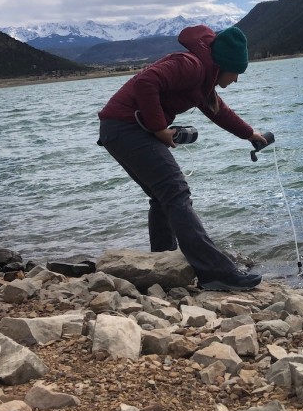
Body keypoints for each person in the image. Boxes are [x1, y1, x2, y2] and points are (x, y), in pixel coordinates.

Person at [97, 25, 267, 291]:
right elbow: (145, 82)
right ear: (224, 65)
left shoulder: (204, 80)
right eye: (236, 73)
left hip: (117, 130)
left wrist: (250, 133)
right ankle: (216, 273)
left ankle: (162, 263)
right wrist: (158, 128)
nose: (236, 80)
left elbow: (218, 111)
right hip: (125, 129)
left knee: (162, 196)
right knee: (176, 193)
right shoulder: (191, 66)